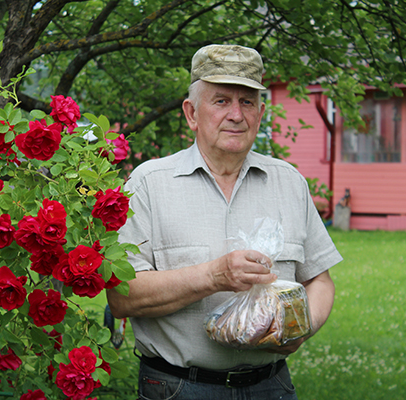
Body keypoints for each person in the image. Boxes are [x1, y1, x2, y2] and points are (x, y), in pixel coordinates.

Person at [107, 44, 343, 400]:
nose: (236, 114)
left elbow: (321, 281)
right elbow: (123, 297)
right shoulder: (148, 184)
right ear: (191, 113)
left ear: (261, 113)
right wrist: (214, 276)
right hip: (179, 387)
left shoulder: (288, 182)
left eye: (247, 102)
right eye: (220, 101)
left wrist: (300, 328)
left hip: (272, 385)